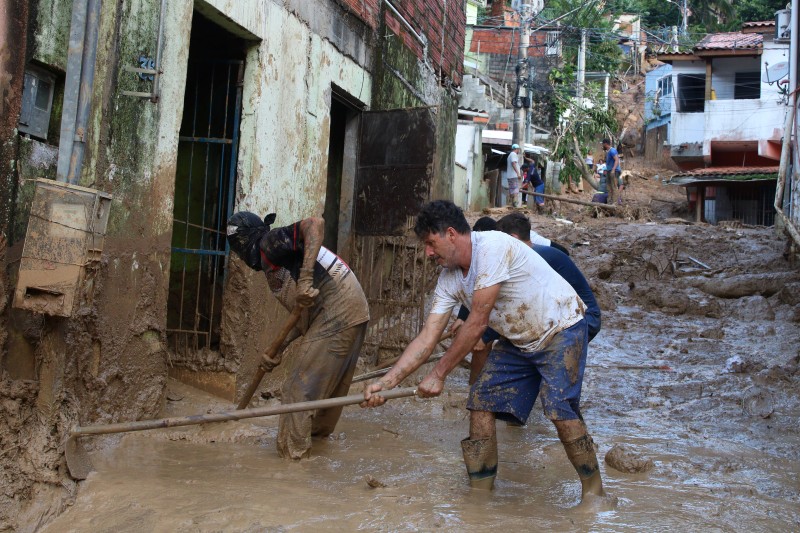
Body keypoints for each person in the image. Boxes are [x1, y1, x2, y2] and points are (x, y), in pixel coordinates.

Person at [362, 201, 608, 507]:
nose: (427, 253)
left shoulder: (491, 247)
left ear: (450, 234)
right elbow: (427, 337)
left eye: (430, 243)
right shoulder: (449, 279)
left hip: (561, 328)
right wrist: (388, 382)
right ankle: (479, 493)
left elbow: (477, 322)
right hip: (518, 340)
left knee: (558, 407)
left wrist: (438, 375)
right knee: (480, 403)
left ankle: (595, 493)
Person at [227, 212, 369, 460]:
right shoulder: (278, 262)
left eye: (237, 248)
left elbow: (315, 223)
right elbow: (304, 316)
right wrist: (279, 349)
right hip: (352, 307)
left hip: (338, 307)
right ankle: (318, 449)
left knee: (296, 389)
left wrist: (304, 280)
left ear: (243, 242)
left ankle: (293, 465)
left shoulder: (268, 243)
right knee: (328, 389)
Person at [602, 139, 621, 203]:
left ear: (606, 144)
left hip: (614, 171)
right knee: (609, 187)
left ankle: (615, 202)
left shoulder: (612, 151)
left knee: (614, 187)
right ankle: (609, 201)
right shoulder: (608, 152)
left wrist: (613, 170)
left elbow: (617, 160)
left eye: (603, 144)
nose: (603, 146)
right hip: (609, 171)